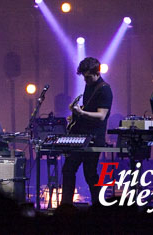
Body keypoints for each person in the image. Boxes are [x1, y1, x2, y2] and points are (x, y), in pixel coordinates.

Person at [61, 56, 113, 206]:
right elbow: (90, 109)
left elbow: (101, 115)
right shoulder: (89, 85)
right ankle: (66, 206)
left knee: (89, 173)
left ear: (97, 73)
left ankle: (98, 206)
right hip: (82, 136)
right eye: (84, 77)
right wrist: (78, 113)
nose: (86, 80)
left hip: (93, 138)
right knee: (69, 169)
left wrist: (82, 113)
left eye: (88, 77)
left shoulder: (105, 90)